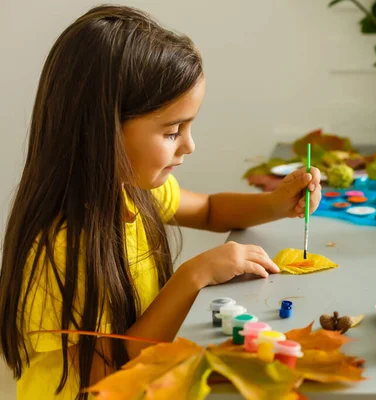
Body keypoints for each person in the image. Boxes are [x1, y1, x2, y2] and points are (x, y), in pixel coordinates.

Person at [0, 5, 322, 399]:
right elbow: (107, 375)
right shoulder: (63, 246)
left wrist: (276, 203)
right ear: (104, 131)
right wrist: (190, 278)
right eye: (173, 131)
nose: (189, 145)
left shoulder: (134, 189)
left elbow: (209, 210)